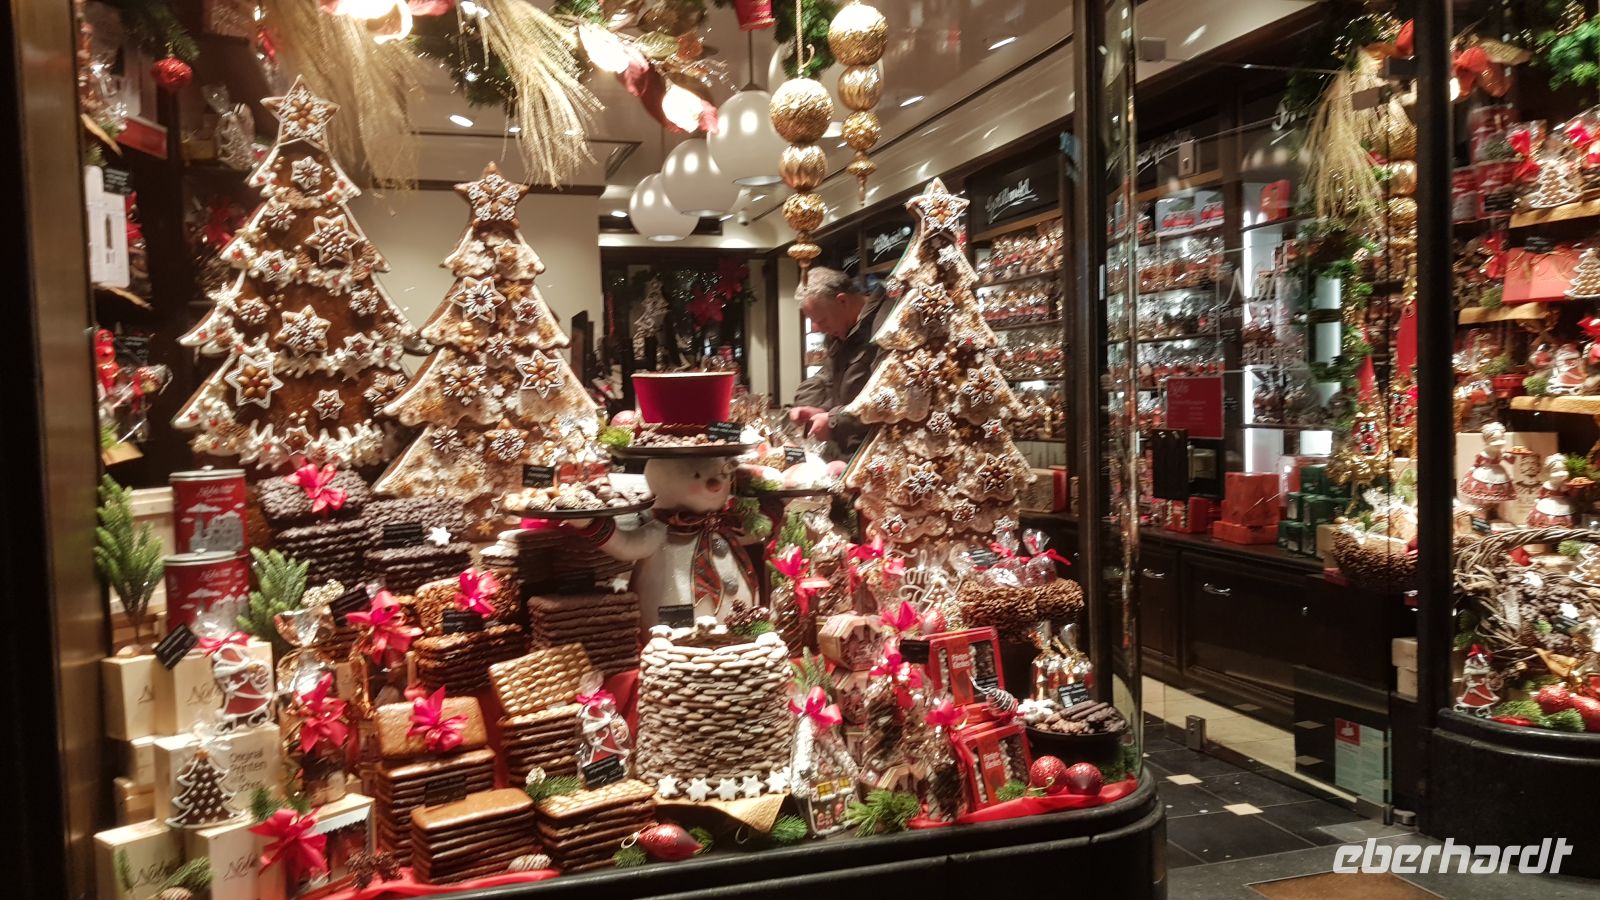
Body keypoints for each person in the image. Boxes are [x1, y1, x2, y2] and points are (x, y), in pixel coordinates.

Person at [790, 267, 891, 457]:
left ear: (842, 301)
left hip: (878, 456)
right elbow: (828, 381)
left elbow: (888, 399)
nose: (818, 329)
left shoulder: (887, 326)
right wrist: (816, 409)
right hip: (847, 454)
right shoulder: (839, 333)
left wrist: (833, 422)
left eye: (822, 320)